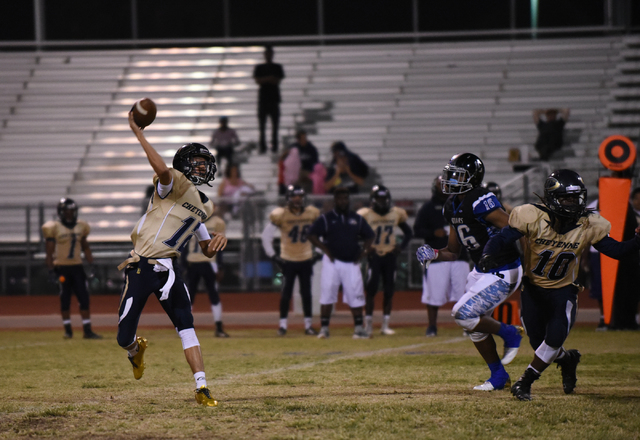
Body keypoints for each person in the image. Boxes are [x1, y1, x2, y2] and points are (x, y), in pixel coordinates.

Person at [479, 169, 640, 401]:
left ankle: (526, 381)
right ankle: (567, 359)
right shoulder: (531, 215)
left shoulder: (588, 223)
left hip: (563, 290)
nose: (573, 202)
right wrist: (488, 255)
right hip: (532, 289)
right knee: (539, 344)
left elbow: (616, 251)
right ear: (553, 197)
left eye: (576, 197)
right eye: (567, 197)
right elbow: (502, 238)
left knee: (554, 338)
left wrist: (636, 242)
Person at [116, 111, 227, 407]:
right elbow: (164, 173)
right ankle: (134, 349)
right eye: (197, 163)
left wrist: (216, 242)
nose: (203, 168)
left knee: (186, 325)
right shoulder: (171, 185)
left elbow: (205, 246)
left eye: (205, 164)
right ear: (183, 166)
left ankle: (201, 387)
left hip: (169, 271)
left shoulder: (203, 205)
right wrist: (139, 133)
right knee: (123, 337)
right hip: (141, 267)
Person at [416, 153, 524, 392]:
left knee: (462, 312)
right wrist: (434, 253)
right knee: (473, 325)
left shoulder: (480, 198)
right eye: (450, 174)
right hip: (482, 270)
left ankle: (510, 333)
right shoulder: (451, 205)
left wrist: (497, 247)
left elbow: (513, 227)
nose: (450, 179)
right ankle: (498, 376)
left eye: (457, 175)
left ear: (472, 178)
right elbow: (453, 251)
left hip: (503, 268)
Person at [308, 187, 375, 339]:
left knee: (355, 295)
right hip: (332, 262)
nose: (343, 201)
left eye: (345, 198)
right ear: (335, 200)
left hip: (352, 262)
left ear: (348, 200)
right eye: (340, 199)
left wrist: (364, 251)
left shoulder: (356, 218)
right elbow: (311, 234)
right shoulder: (326, 218)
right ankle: (324, 329)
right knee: (327, 295)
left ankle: (358, 329)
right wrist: (325, 249)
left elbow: (370, 235)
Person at [261, 185, 321, 336]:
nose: (297, 199)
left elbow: (322, 232)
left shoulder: (311, 213)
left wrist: (318, 252)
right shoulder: (281, 214)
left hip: (306, 258)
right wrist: (273, 256)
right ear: (288, 198)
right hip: (288, 259)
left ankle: (308, 325)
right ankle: (283, 325)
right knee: (286, 294)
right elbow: (266, 236)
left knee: (306, 293)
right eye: (294, 196)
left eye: (300, 196)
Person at [413, 176, 469, 337]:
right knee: (434, 295)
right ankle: (432, 326)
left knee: (464, 294)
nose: (443, 187)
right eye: (440, 184)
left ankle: (467, 325)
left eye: (446, 184)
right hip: (436, 257)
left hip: (459, 256)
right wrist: (432, 233)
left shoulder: (460, 204)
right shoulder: (428, 208)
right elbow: (417, 230)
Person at [42, 198, 102, 340]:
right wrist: (51, 270)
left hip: (77, 268)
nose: (69, 214)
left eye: (71, 211)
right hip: (61, 268)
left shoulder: (81, 226)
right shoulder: (54, 228)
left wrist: (91, 264)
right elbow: (49, 253)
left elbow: (86, 247)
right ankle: (68, 330)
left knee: (84, 298)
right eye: (66, 211)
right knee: (65, 299)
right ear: (61, 212)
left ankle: (87, 330)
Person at [357, 185, 413, 336]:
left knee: (389, 291)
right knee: (371, 290)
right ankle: (368, 325)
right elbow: (355, 233)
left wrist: (400, 247)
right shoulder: (365, 214)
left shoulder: (396, 213)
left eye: (384, 198)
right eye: (379, 198)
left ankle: (385, 325)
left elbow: (408, 232)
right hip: (374, 256)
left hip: (390, 255)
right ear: (373, 200)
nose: (382, 202)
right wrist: (366, 248)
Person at [185, 214, 229, 338]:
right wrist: (220, 265)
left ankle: (184, 327)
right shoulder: (215, 221)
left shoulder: (194, 220)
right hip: (202, 261)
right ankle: (218, 327)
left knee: (192, 295)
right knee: (204, 294)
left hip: (202, 262)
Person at [253, 45, 285, 154]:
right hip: (263, 100)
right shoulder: (260, 67)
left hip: (273, 100)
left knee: (274, 126)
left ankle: (274, 146)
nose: (268, 56)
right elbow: (258, 80)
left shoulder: (277, 67)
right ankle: (263, 146)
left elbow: (276, 80)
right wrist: (269, 78)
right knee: (262, 126)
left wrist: (265, 79)